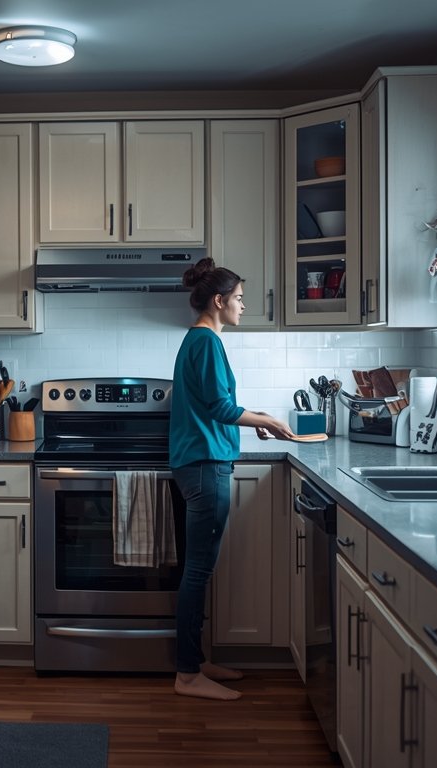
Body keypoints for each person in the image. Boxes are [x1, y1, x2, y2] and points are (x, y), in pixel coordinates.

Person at [169, 257, 294, 701]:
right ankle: (186, 675)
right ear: (219, 301)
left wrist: (252, 421)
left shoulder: (201, 340)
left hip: (199, 461)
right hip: (204, 467)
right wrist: (270, 420)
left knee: (197, 570)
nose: (243, 305)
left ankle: (196, 662)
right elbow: (220, 409)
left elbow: (214, 408)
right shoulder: (206, 342)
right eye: (239, 298)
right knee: (198, 572)